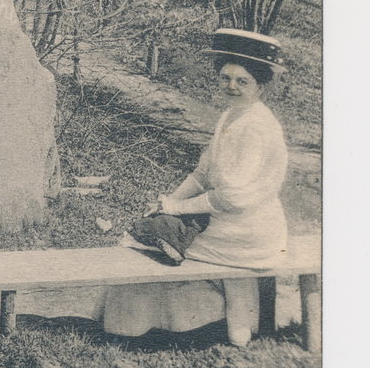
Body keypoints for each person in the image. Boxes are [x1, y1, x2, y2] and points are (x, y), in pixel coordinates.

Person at [103, 28, 289, 347]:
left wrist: (176, 209)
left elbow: (230, 196)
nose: (231, 87)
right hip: (234, 227)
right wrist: (168, 201)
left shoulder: (255, 127)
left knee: (142, 242)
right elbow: (203, 174)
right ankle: (164, 323)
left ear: (260, 85)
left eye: (242, 81)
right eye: (225, 78)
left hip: (247, 234)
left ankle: (135, 329)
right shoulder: (232, 115)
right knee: (154, 230)